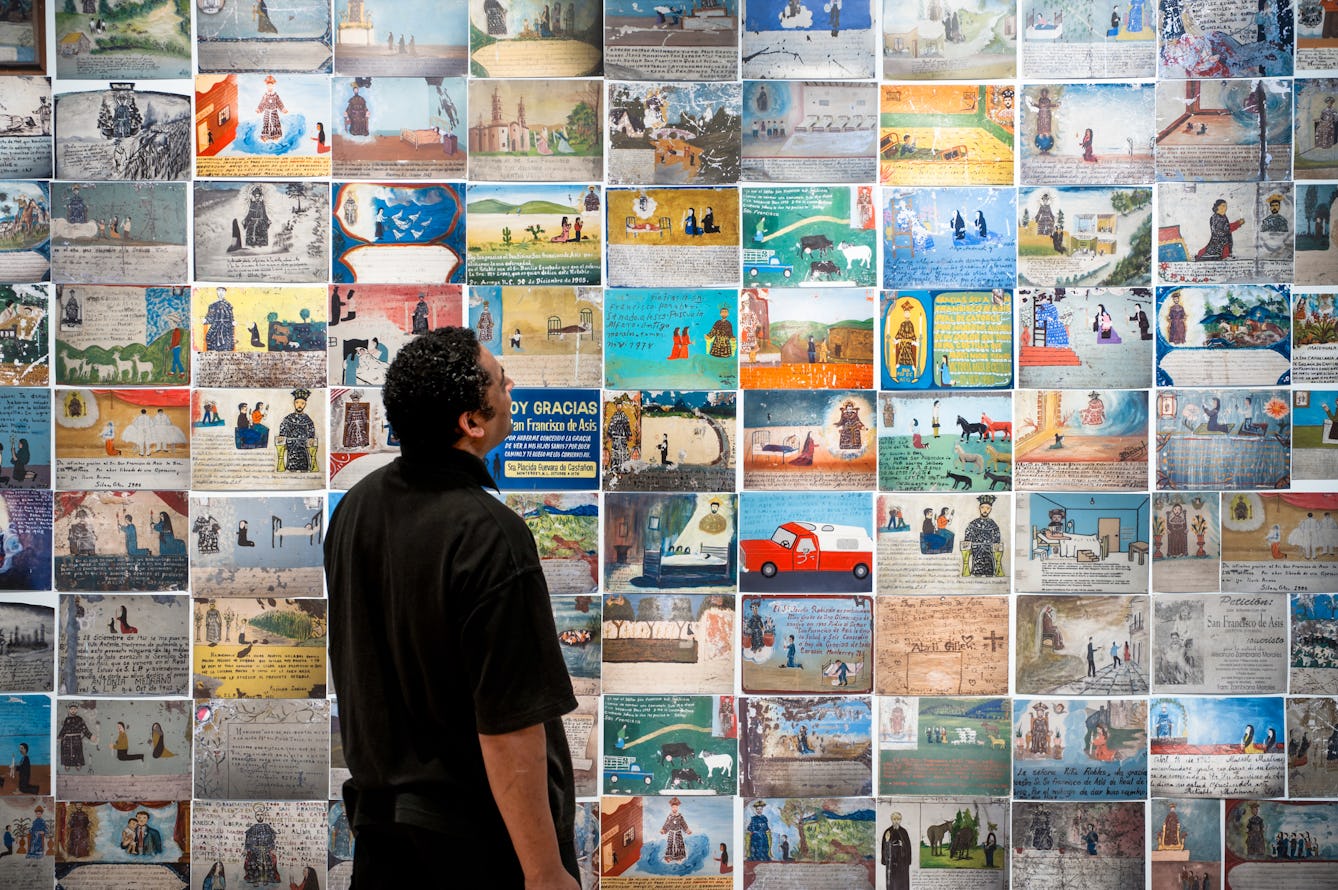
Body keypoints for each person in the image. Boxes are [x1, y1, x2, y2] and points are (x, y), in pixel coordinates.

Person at [326, 327, 579, 888]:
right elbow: (510, 728)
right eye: (498, 380)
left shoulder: (354, 511)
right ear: (472, 422)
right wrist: (544, 872)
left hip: (382, 845)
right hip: (476, 851)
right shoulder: (491, 536)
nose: (510, 385)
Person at [277, 388, 318, 473]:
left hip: (303, 447)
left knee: (304, 468)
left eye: (302, 403)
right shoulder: (288, 418)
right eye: (297, 403)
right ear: (294, 403)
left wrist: (311, 437)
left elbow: (311, 430)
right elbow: (283, 428)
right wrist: (282, 435)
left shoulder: (307, 419)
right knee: (292, 469)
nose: (299, 405)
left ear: (305, 404)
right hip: (292, 447)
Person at [962, 494, 1001, 577]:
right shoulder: (973, 524)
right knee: (977, 576)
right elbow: (967, 540)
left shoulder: (993, 525)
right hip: (977, 555)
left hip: (989, 555)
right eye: (983, 507)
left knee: (990, 576)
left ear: (990, 509)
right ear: (979, 508)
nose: (985, 510)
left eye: (988, 508)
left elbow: (997, 541)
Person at [882, 812, 912, 890]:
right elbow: (884, 847)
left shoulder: (904, 832)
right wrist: (887, 841)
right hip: (891, 863)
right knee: (892, 884)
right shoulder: (888, 831)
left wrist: (902, 844)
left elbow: (908, 847)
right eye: (894, 819)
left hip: (902, 863)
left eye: (898, 819)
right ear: (891, 820)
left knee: (902, 884)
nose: (896, 821)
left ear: (900, 820)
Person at [256, 75, 288, 143]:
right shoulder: (265, 95)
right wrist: (259, 109)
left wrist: (283, 109)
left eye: (271, 86)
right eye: (268, 86)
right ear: (266, 86)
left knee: (275, 123)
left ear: (273, 86)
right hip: (267, 112)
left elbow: (279, 103)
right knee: (266, 123)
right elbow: (262, 103)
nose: (269, 87)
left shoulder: (276, 95)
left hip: (274, 112)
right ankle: (265, 136)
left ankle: (275, 136)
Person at [660, 798, 691, 863]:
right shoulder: (670, 816)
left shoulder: (680, 816)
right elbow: (666, 824)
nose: (674, 809)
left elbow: (683, 824)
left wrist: (687, 830)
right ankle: (669, 857)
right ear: (671, 808)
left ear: (678, 808)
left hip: (678, 833)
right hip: (671, 833)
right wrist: (663, 829)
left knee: (679, 845)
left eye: (676, 807)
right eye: (673, 807)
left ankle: (679, 857)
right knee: (670, 845)